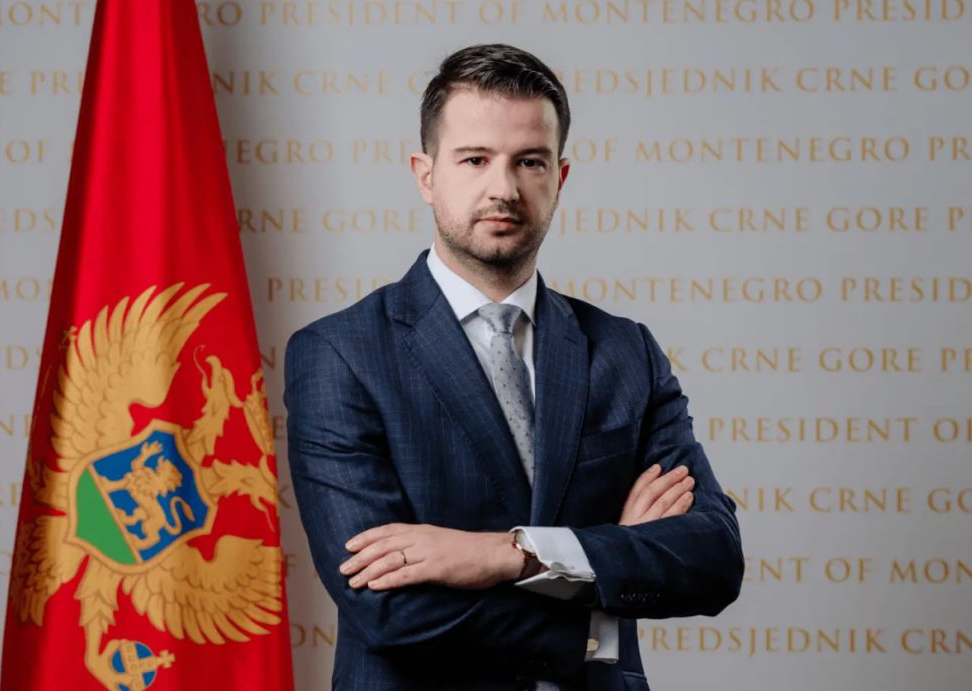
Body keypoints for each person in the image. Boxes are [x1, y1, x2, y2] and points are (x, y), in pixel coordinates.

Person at [284, 43, 744, 691]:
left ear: (559, 177)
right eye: (475, 159)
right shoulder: (341, 354)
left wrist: (505, 554)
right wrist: (599, 610)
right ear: (425, 174)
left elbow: (712, 560)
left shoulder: (625, 351)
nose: (503, 188)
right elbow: (388, 609)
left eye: (529, 161)